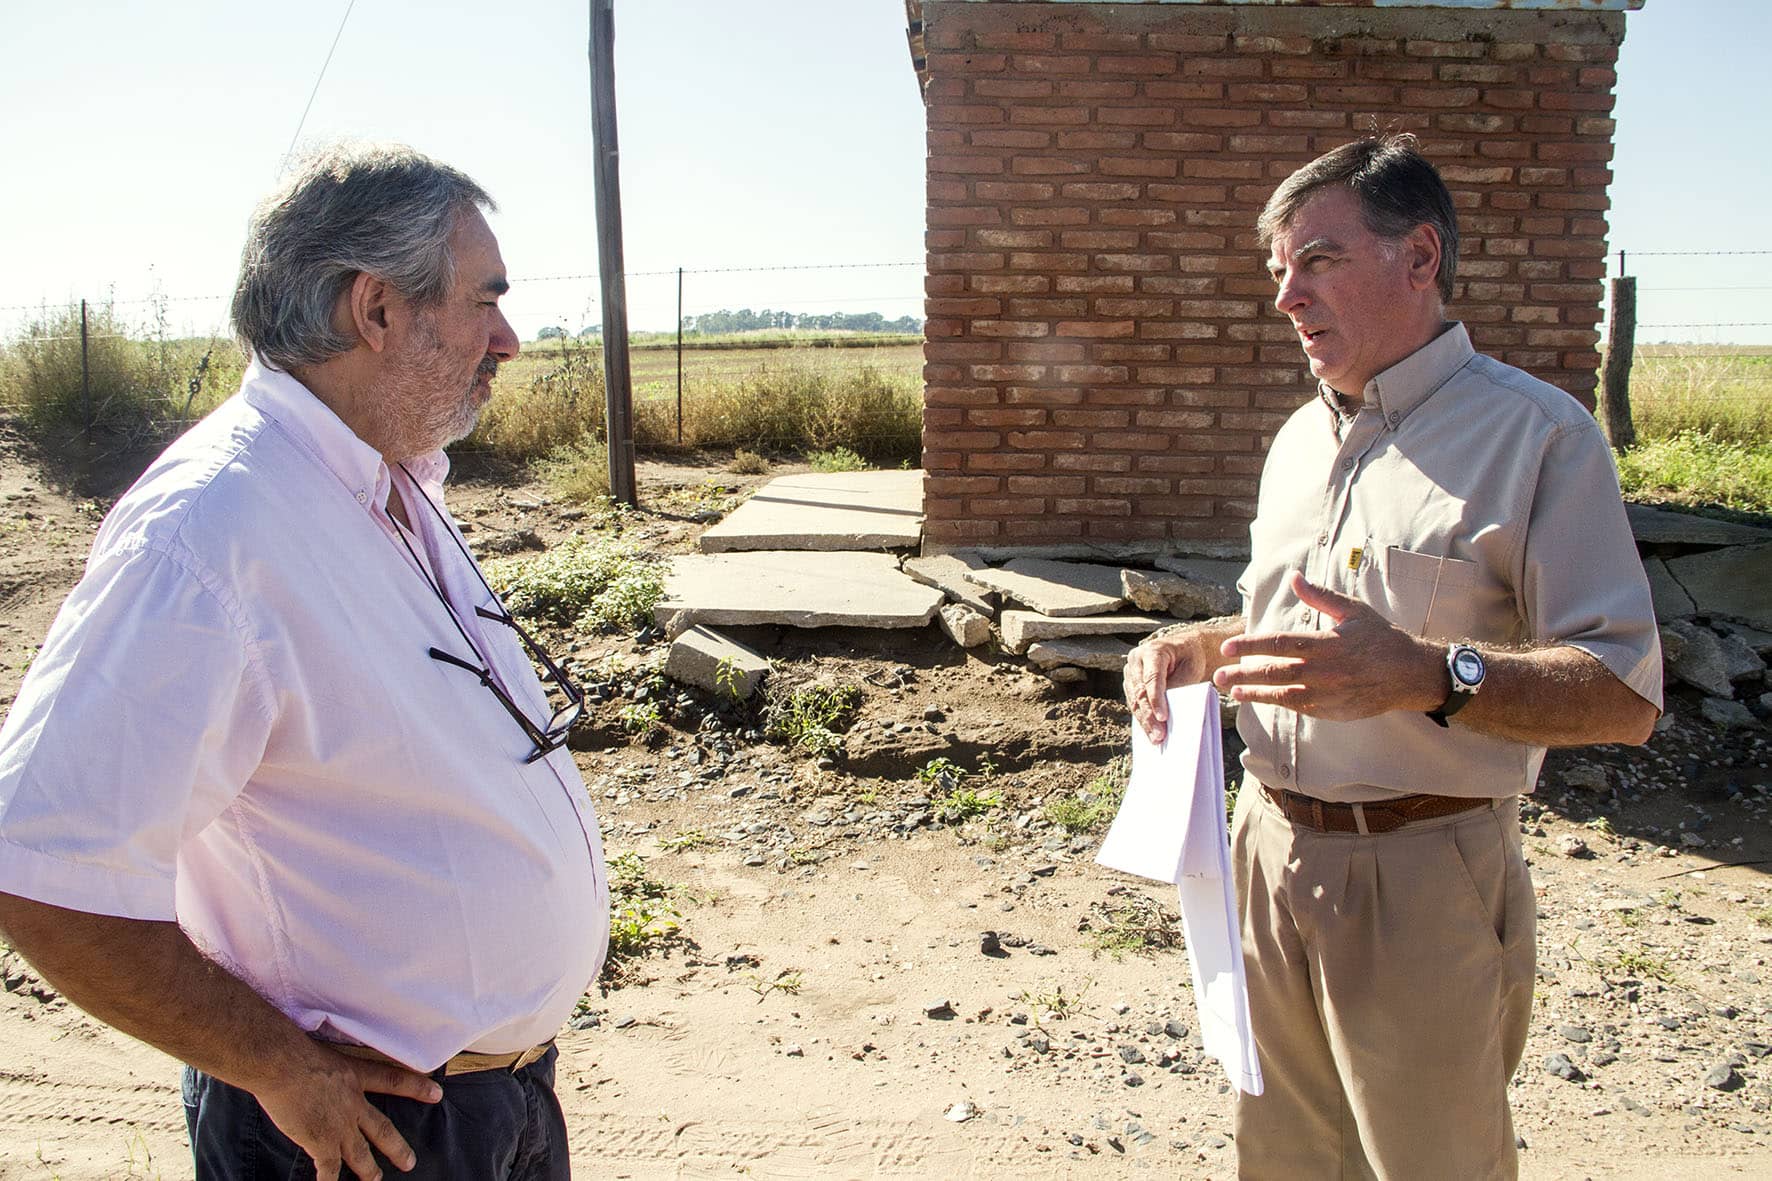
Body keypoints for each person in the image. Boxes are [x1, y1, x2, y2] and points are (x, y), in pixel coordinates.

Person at [0, 143, 609, 1181]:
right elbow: (41, 863)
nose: (507, 337)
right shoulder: (212, 528)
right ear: (375, 310)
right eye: (483, 299)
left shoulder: (389, 481)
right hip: (358, 1134)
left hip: (494, 1105)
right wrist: (280, 1067)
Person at [1124, 135, 1662, 1180]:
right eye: (1276, 270)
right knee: (1278, 1158)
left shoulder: (1538, 437)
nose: (1286, 296)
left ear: (1419, 259)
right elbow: (1307, 642)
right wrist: (1193, 649)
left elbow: (1620, 692)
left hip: (1422, 873)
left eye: (1316, 260)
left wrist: (1430, 674)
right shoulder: (1296, 438)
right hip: (1264, 852)